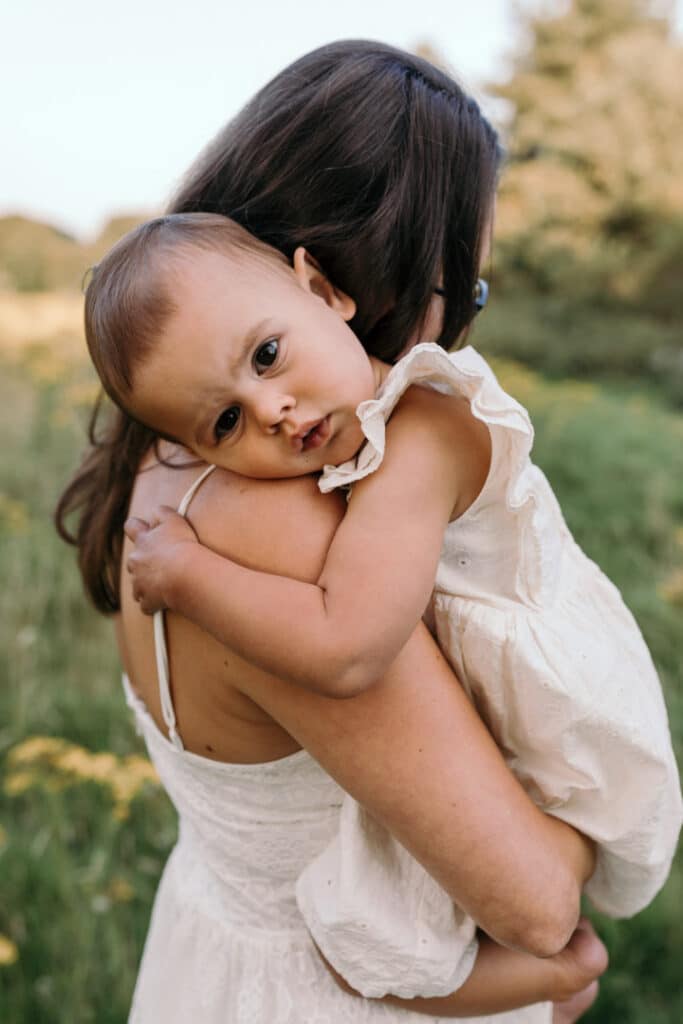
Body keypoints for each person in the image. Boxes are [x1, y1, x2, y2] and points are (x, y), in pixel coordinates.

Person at [56, 41, 611, 1023]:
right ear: (366, 278)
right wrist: (592, 841)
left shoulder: (169, 460)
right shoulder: (286, 528)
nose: (457, 328)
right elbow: (535, 901)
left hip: (211, 955)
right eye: (463, 290)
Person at [85, 207, 681, 1000]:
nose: (271, 412)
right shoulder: (312, 460)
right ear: (194, 447)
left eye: (267, 355)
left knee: (376, 960)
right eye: (225, 422)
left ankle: (565, 973)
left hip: (568, 741)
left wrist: (193, 574)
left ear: (326, 291)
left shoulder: (420, 430)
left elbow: (348, 647)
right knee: (370, 941)